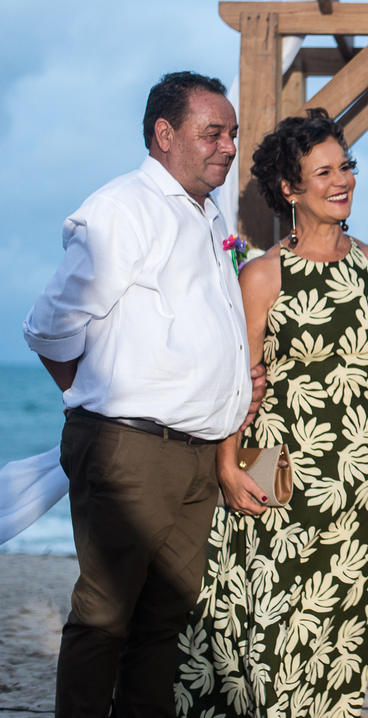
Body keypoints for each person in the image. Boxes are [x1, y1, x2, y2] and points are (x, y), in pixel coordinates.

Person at [176, 109, 368, 716]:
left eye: (345, 165)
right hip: (285, 479)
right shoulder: (263, 275)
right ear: (290, 189)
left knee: (345, 642)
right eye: (323, 171)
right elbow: (238, 385)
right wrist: (225, 466)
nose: (341, 179)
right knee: (272, 635)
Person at [22, 71, 263, 718]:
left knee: (164, 622)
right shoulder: (122, 209)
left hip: (195, 453)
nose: (228, 145)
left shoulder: (207, 214)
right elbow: (48, 326)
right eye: (213, 132)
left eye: (233, 133)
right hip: (131, 448)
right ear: (164, 134)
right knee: (104, 617)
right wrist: (91, 396)